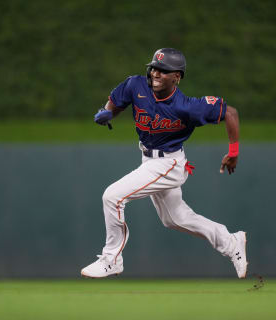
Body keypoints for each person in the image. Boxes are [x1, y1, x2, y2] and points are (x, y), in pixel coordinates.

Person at [81, 48, 247, 279]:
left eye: (164, 70)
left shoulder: (187, 106)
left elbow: (230, 113)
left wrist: (234, 152)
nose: (156, 73)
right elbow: (116, 102)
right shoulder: (136, 86)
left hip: (169, 164)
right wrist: (109, 113)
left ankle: (111, 260)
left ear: (177, 77)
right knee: (175, 218)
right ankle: (230, 242)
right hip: (148, 159)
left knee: (112, 196)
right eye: (154, 68)